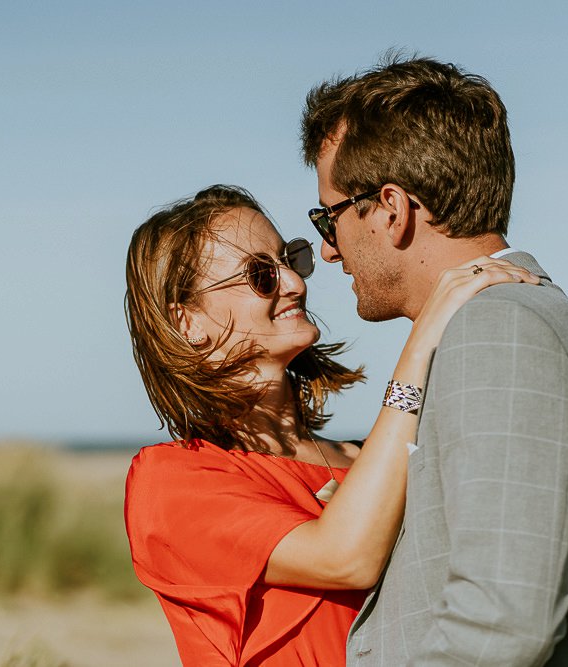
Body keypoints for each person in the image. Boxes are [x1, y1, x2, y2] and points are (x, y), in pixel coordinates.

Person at [300, 56, 568, 665]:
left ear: (391, 209)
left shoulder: (496, 331)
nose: (326, 248)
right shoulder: (535, 318)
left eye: (330, 216)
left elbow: (502, 623)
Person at [123, 184, 539, 666]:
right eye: (260, 274)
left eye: (291, 259)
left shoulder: (366, 459)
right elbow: (345, 558)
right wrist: (422, 340)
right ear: (187, 321)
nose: (296, 284)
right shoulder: (173, 485)